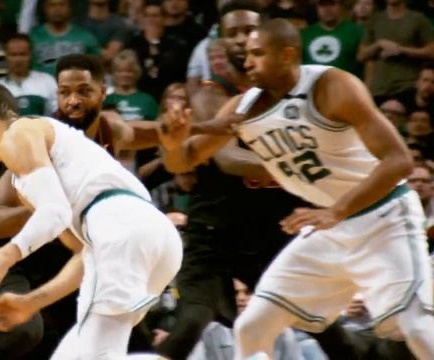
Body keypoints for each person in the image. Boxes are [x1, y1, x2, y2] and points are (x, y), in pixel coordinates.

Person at [158, 18, 434, 359]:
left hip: (384, 217)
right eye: (246, 55)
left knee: (418, 327)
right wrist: (172, 143)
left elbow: (399, 162)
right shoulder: (243, 107)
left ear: (287, 55)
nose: (247, 62)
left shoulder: (331, 85)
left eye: (257, 54)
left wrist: (335, 211)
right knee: (252, 327)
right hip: (331, 227)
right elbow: (183, 160)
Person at [0, 81, 182, 359]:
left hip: (121, 229)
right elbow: (84, 257)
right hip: (149, 236)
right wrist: (29, 303)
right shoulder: (27, 178)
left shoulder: (18, 132)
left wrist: (6, 255)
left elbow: (55, 212)